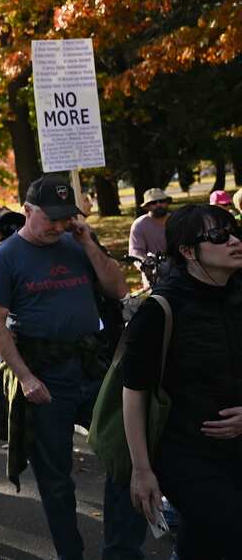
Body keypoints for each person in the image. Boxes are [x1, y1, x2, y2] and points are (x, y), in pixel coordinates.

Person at [0, 175, 145, 560]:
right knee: (56, 479)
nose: (58, 226)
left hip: (92, 368)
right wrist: (24, 377)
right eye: (50, 218)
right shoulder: (5, 256)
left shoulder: (76, 244)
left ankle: (121, 550)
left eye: (64, 217)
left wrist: (88, 241)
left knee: (126, 453)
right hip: (45, 375)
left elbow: (118, 289)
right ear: (27, 211)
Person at [123, 205, 242, 559]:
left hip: (237, 449)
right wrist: (142, 470)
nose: (235, 241)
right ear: (188, 251)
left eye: (234, 231)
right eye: (220, 236)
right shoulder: (161, 309)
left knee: (202, 543)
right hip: (185, 455)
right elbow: (134, 395)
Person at [130, 188, 173, 261]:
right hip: (153, 268)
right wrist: (145, 262)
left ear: (167, 202)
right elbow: (136, 251)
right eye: (153, 202)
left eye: (161, 201)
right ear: (147, 206)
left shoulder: (177, 220)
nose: (158, 204)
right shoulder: (139, 225)